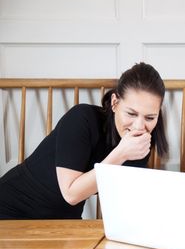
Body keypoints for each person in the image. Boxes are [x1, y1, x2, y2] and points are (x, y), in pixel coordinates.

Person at [0, 62, 168, 219]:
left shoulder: (140, 142)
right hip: (12, 210)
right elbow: (71, 194)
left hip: (62, 222)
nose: (139, 126)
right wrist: (120, 154)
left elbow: (128, 199)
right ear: (115, 103)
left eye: (150, 117)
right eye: (131, 113)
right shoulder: (82, 118)